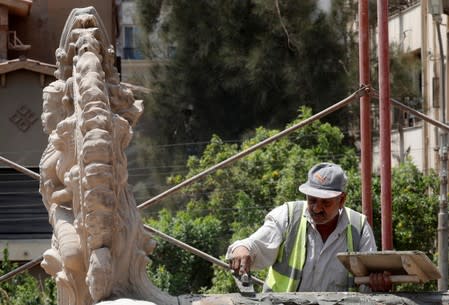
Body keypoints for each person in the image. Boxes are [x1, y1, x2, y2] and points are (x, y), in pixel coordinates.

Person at [227, 162, 391, 292]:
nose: (317, 208)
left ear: (341, 200)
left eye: (325, 202)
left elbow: (369, 283)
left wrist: (377, 283)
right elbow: (255, 245)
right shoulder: (288, 216)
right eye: (312, 199)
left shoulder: (359, 228)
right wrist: (242, 248)